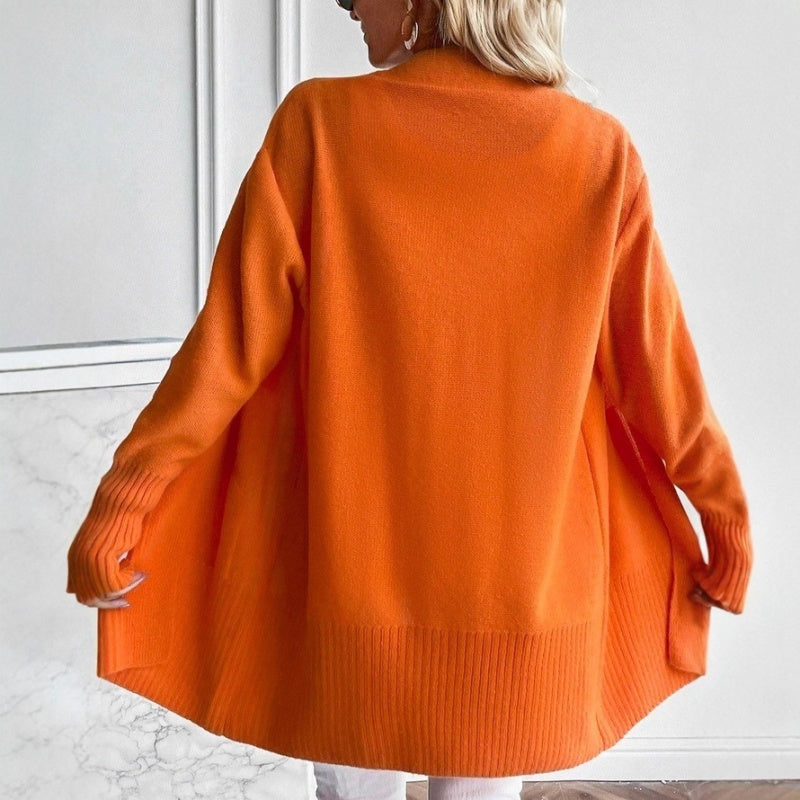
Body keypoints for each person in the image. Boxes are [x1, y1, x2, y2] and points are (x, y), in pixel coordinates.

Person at [67, 0, 752, 798]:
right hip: (527, 597)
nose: (348, 6)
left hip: (348, 591)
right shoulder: (596, 151)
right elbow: (660, 378)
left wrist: (125, 506)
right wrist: (726, 522)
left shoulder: (321, 127)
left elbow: (225, 353)